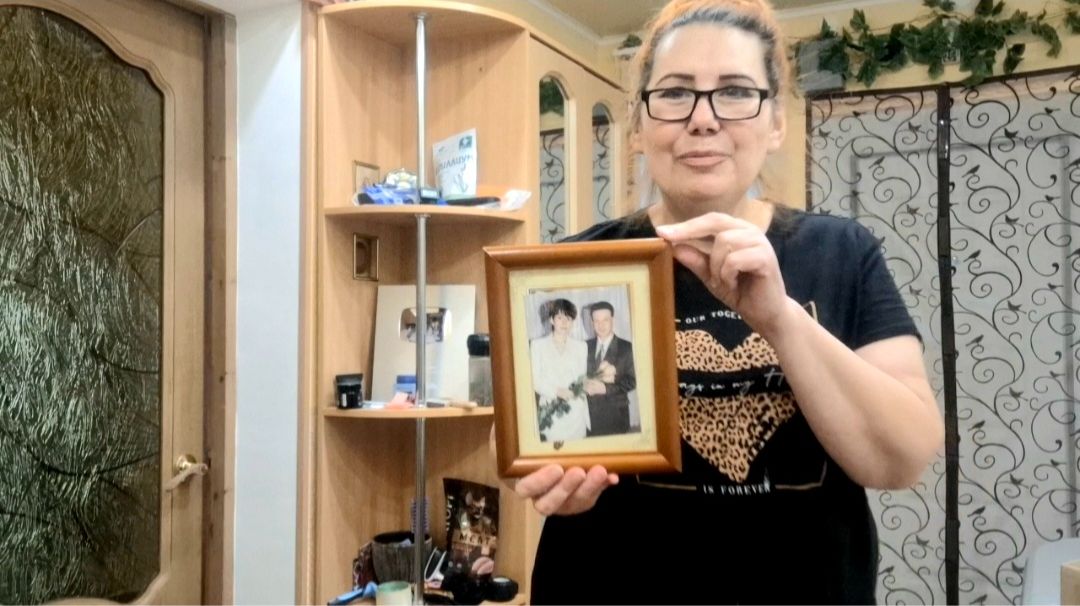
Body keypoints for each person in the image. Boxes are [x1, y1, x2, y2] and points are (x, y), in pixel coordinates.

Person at [515, 0, 944, 603]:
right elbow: (520, 429)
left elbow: (902, 460)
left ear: (776, 122)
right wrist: (543, 473)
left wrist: (780, 319)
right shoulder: (580, 266)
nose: (703, 119)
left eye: (736, 92)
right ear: (638, 127)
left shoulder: (843, 252)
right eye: (674, 93)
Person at [529, 298, 590, 442]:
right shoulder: (537, 346)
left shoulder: (581, 347)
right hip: (551, 409)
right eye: (560, 318)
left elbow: (582, 378)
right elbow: (534, 380)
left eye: (568, 319)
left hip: (576, 411)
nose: (564, 323)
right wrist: (557, 391)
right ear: (551, 320)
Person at [582, 301, 637, 436]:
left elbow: (632, 381)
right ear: (592, 322)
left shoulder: (627, 348)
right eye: (596, 321)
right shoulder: (584, 347)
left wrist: (605, 389)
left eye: (605, 320)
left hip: (616, 414)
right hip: (588, 415)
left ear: (613, 320)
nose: (601, 325)